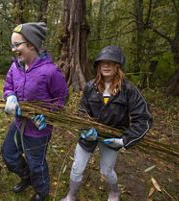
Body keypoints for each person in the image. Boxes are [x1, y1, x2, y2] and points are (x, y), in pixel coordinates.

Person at [60, 45, 152, 201]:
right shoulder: (90, 87)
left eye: (111, 62)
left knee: (106, 171)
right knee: (77, 168)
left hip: (112, 138)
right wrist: (85, 130)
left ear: (118, 66)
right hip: (89, 136)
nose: (106, 66)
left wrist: (124, 140)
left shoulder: (128, 90)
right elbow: (82, 112)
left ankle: (114, 193)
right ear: (98, 66)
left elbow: (143, 119)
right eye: (103, 62)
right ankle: (71, 195)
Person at [2, 22, 68, 201]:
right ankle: (27, 177)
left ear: (31, 44)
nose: (14, 49)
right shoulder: (15, 66)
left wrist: (47, 115)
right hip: (19, 123)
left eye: (17, 45)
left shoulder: (51, 72)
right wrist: (10, 97)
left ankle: (42, 191)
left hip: (38, 129)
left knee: (36, 163)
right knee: (8, 154)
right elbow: (8, 86)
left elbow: (61, 100)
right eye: (13, 45)